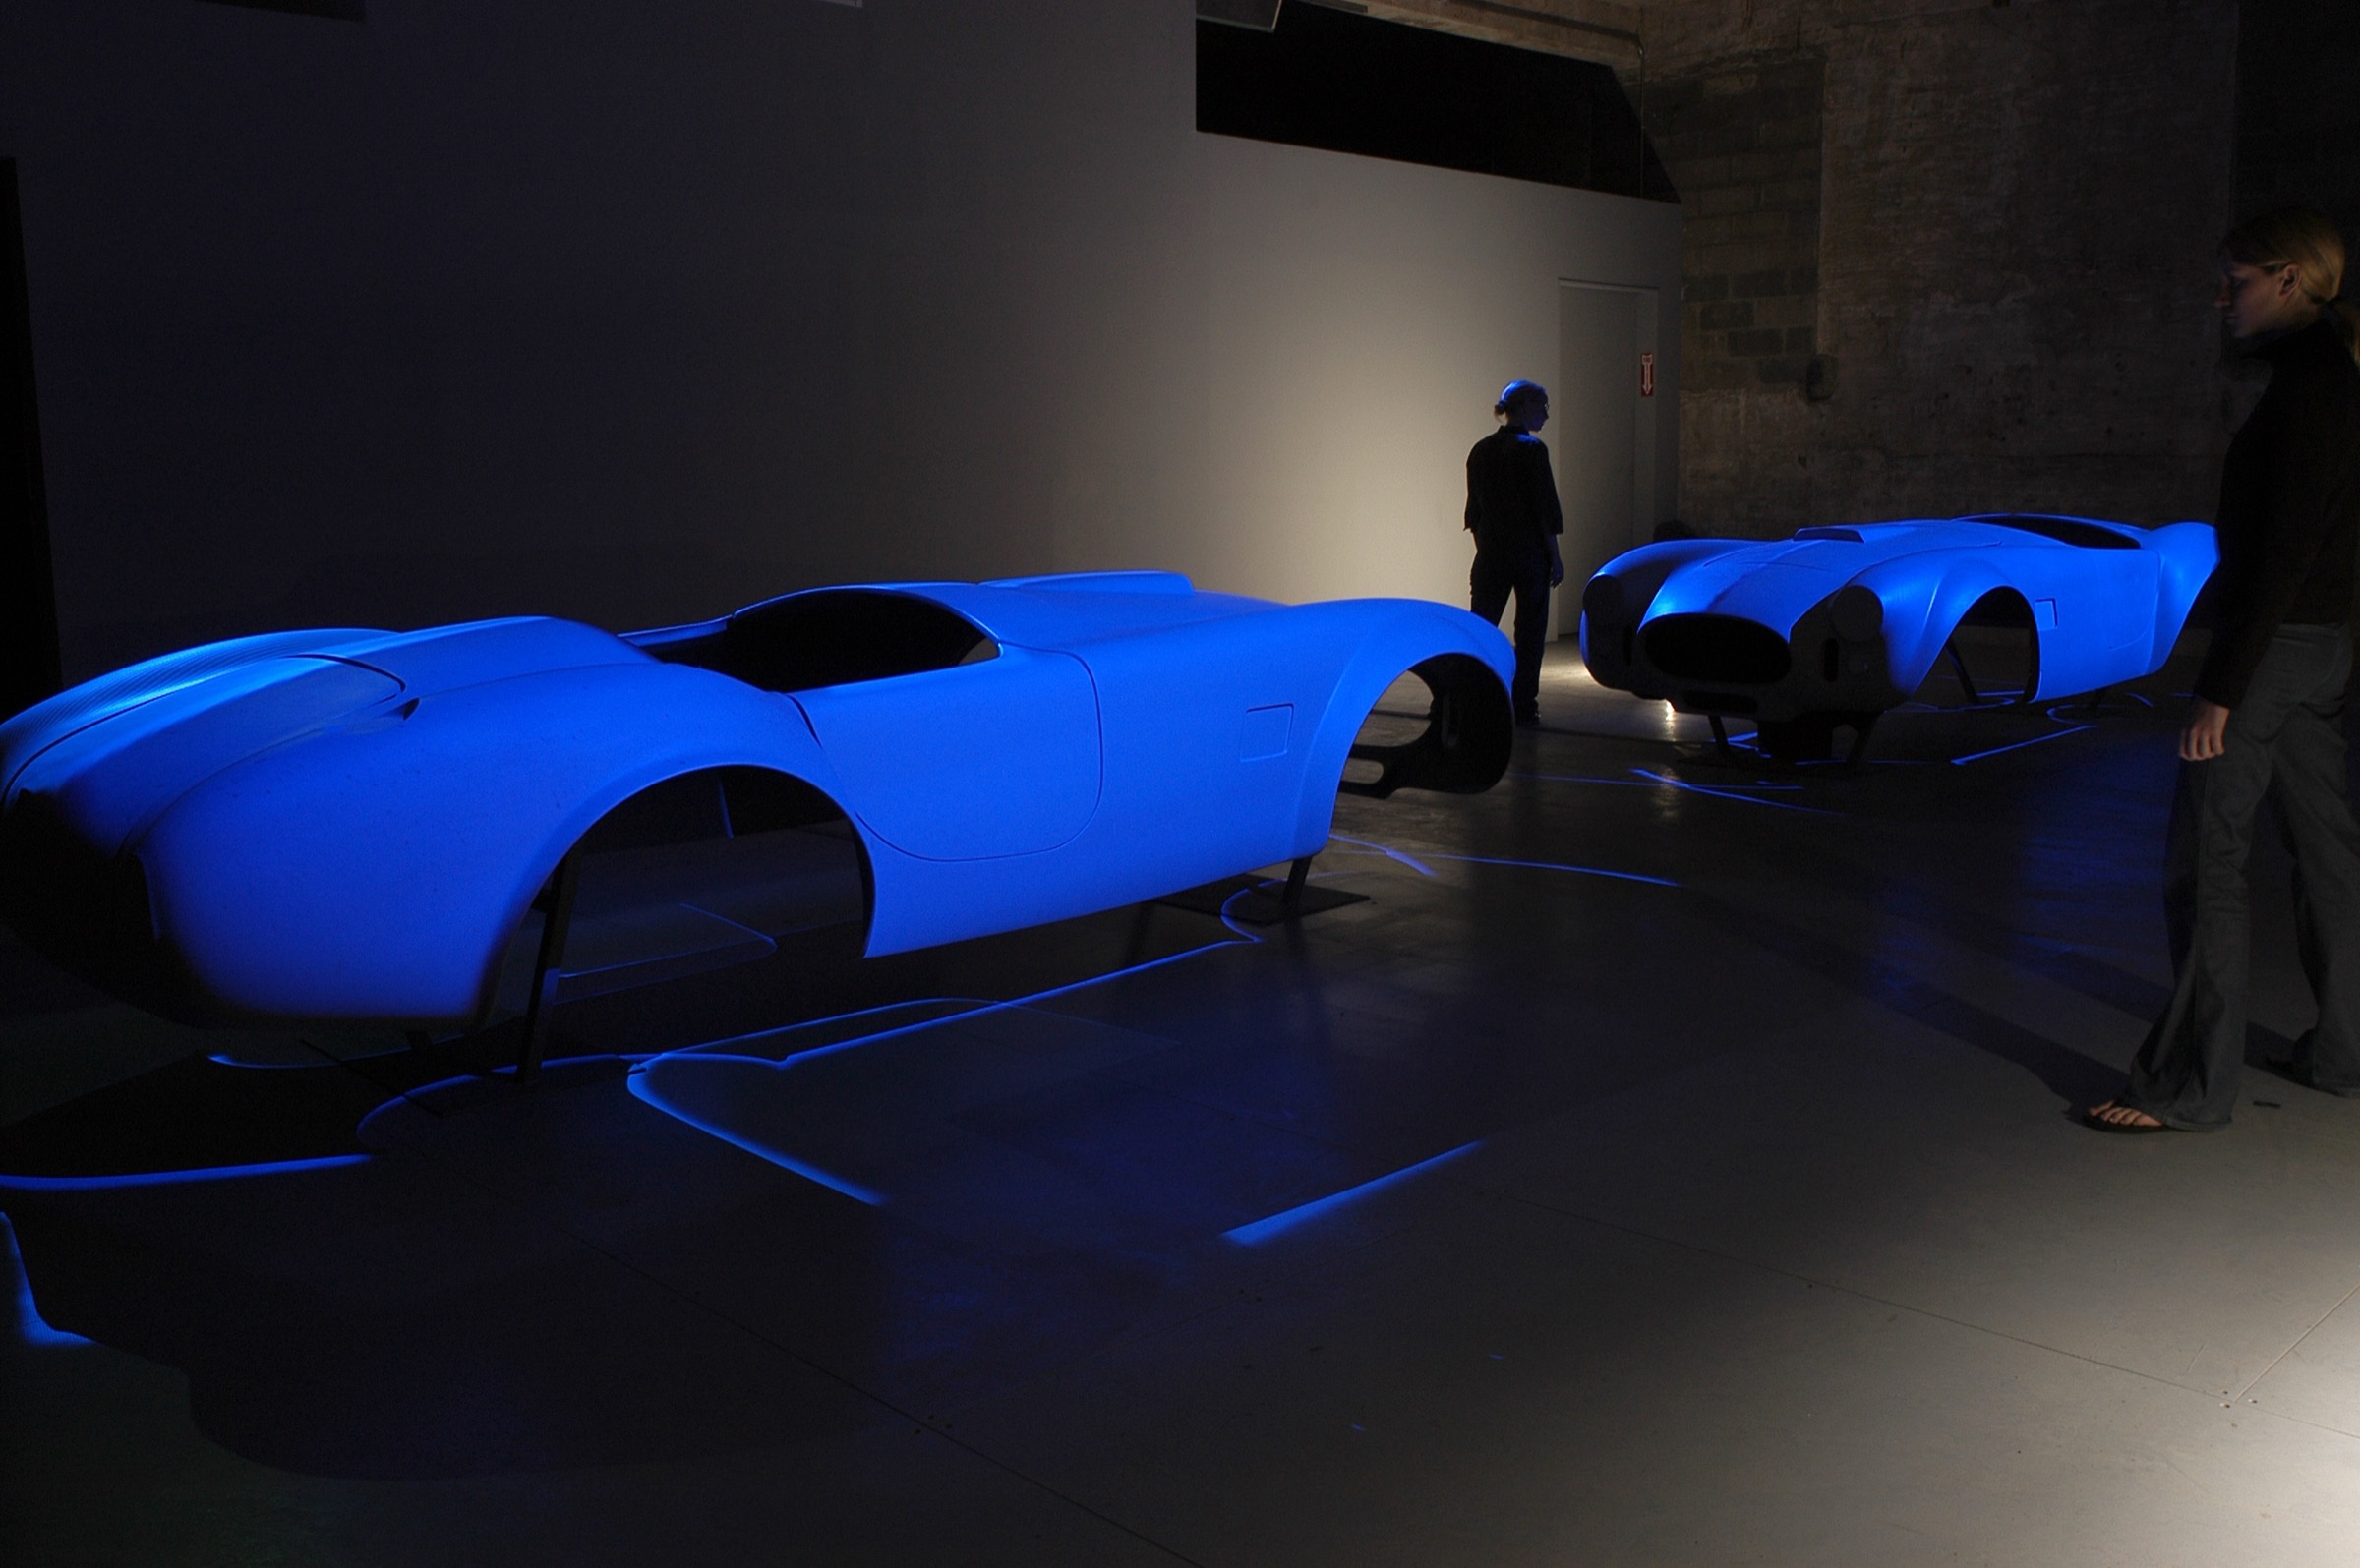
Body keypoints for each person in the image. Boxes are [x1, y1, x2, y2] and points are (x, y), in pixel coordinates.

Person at [2086, 207, 2360, 1133]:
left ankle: (2190, 1084)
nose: (2222, 298)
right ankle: (2346, 1051)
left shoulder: (2311, 395)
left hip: (2275, 651)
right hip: (2322, 648)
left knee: (2206, 857)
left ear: (2288, 280)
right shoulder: (2335, 378)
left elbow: (2281, 552)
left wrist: (2223, 685)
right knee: (2327, 851)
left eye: (2237, 280)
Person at [1464, 380, 1565, 726]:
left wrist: (1488, 548)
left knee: (1481, 628)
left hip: (1491, 554)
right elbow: (1545, 511)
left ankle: (1471, 696)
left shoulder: (1481, 450)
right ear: (1522, 407)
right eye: (1542, 406)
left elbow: (1473, 513)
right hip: (1529, 556)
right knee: (1530, 632)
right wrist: (1555, 557)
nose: (1546, 415)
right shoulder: (1533, 451)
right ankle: (1524, 704)